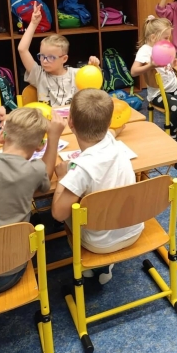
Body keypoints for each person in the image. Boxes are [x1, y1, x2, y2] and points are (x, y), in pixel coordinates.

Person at [52, 89, 144, 285]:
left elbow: (58, 214)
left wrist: (62, 177)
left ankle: (95, 264)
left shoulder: (80, 170)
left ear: (70, 123)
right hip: (134, 229)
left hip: (99, 243)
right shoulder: (113, 142)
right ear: (109, 122)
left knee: (70, 207)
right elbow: (113, 132)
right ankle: (103, 267)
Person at [0, 107, 66, 299]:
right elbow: (47, 174)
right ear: (40, 146)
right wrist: (53, 138)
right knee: (38, 219)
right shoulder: (34, 171)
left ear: (1, 137)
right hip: (9, 272)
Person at [130, 16, 177, 154]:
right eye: (166, 37)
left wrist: (173, 62)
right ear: (153, 37)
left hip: (173, 88)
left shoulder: (164, 47)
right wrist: (151, 65)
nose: (169, 41)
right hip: (158, 93)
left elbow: (168, 62)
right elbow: (134, 71)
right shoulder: (145, 50)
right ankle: (171, 139)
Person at [18, 2, 100, 107]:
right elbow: (22, 49)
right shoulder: (39, 75)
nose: (44, 61)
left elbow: (95, 88)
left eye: (51, 57)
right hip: (48, 117)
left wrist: (94, 67)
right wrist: (34, 23)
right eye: (42, 56)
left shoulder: (77, 75)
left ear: (64, 59)